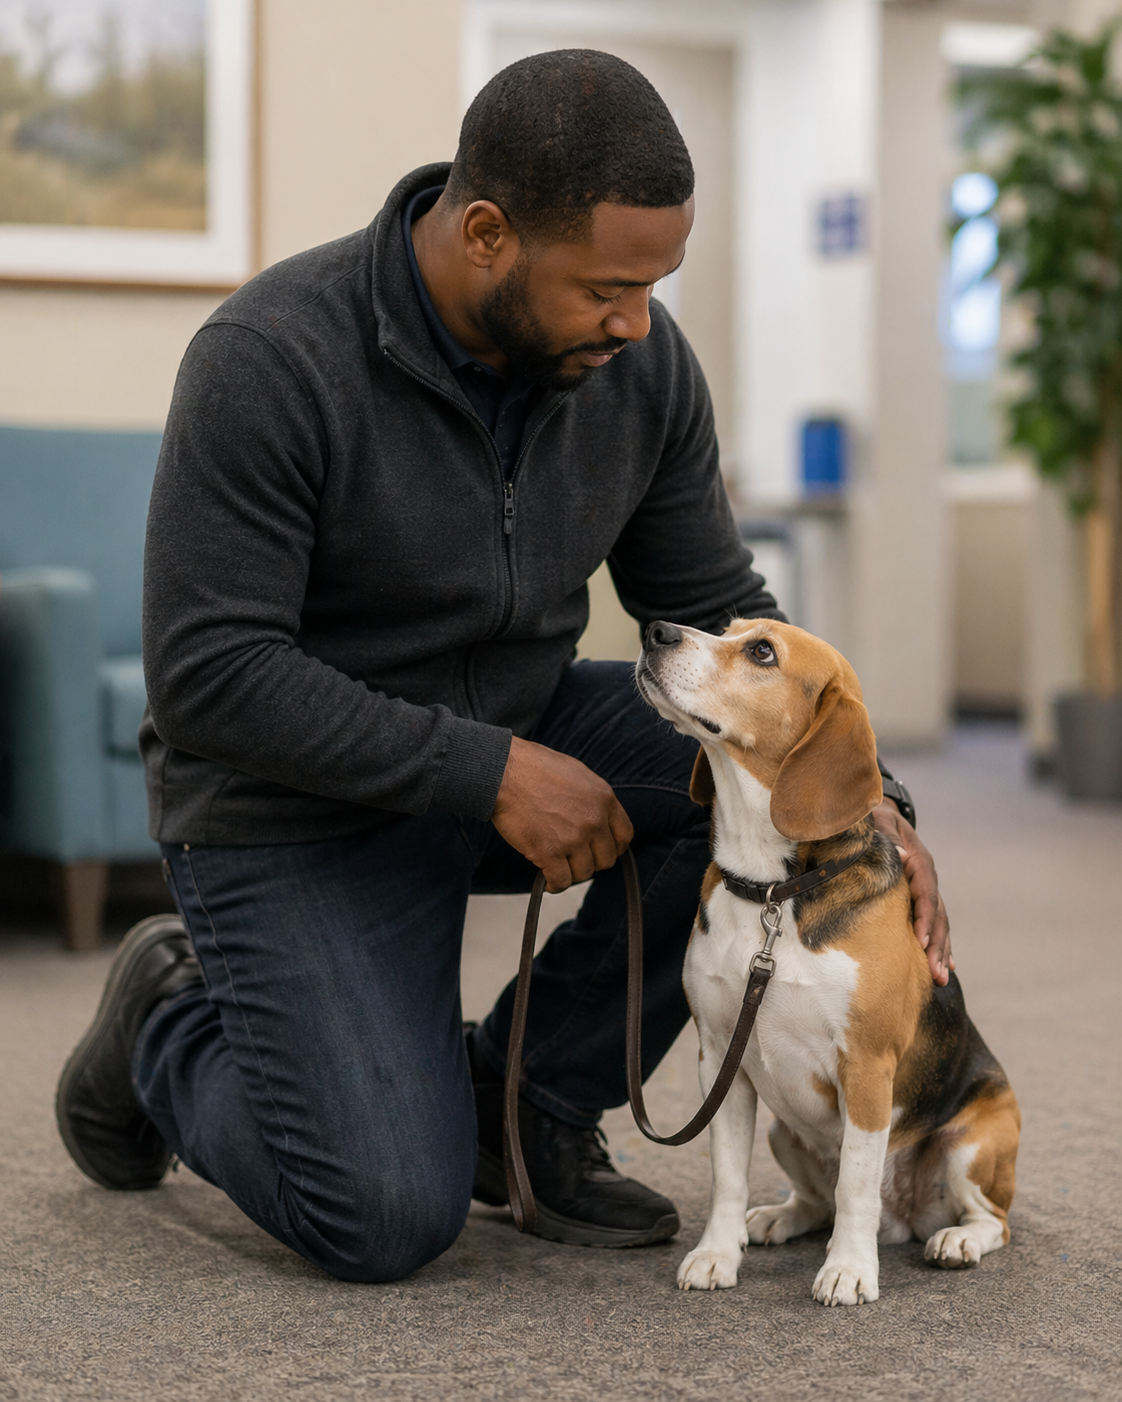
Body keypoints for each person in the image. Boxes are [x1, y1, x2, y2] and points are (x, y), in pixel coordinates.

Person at [56, 50, 951, 1284]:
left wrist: (871, 804)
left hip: (516, 737)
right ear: (486, 234)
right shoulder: (268, 357)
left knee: (738, 788)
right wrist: (489, 774)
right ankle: (166, 1015)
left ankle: (521, 1097)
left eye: (654, 285)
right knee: (381, 1215)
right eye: (608, 288)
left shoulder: (637, 363)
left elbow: (721, 619)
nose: (636, 323)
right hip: (287, 812)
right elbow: (210, 674)